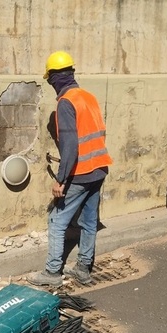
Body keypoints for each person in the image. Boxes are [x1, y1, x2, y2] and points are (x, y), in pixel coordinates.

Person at [27, 51, 112, 288]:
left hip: (80, 172)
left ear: (55, 77)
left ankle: (53, 272)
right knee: (88, 221)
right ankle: (83, 269)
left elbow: (70, 145)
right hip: (99, 168)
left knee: (56, 220)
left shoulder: (65, 103)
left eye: (50, 79)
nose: (50, 84)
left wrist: (61, 180)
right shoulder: (88, 97)